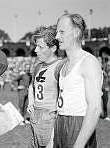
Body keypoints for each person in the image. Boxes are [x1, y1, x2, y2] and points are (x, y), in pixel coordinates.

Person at [54, 13, 103, 148]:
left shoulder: (88, 62)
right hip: (60, 124)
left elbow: (94, 108)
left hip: (78, 125)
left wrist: (79, 145)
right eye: (57, 32)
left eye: (62, 32)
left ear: (76, 32)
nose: (57, 36)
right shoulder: (62, 65)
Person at [27, 26, 63, 148]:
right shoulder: (38, 66)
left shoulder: (60, 67)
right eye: (36, 46)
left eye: (40, 47)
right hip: (35, 118)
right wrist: (31, 102)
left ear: (53, 48)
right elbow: (31, 86)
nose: (36, 50)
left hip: (51, 120)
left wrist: (54, 135)